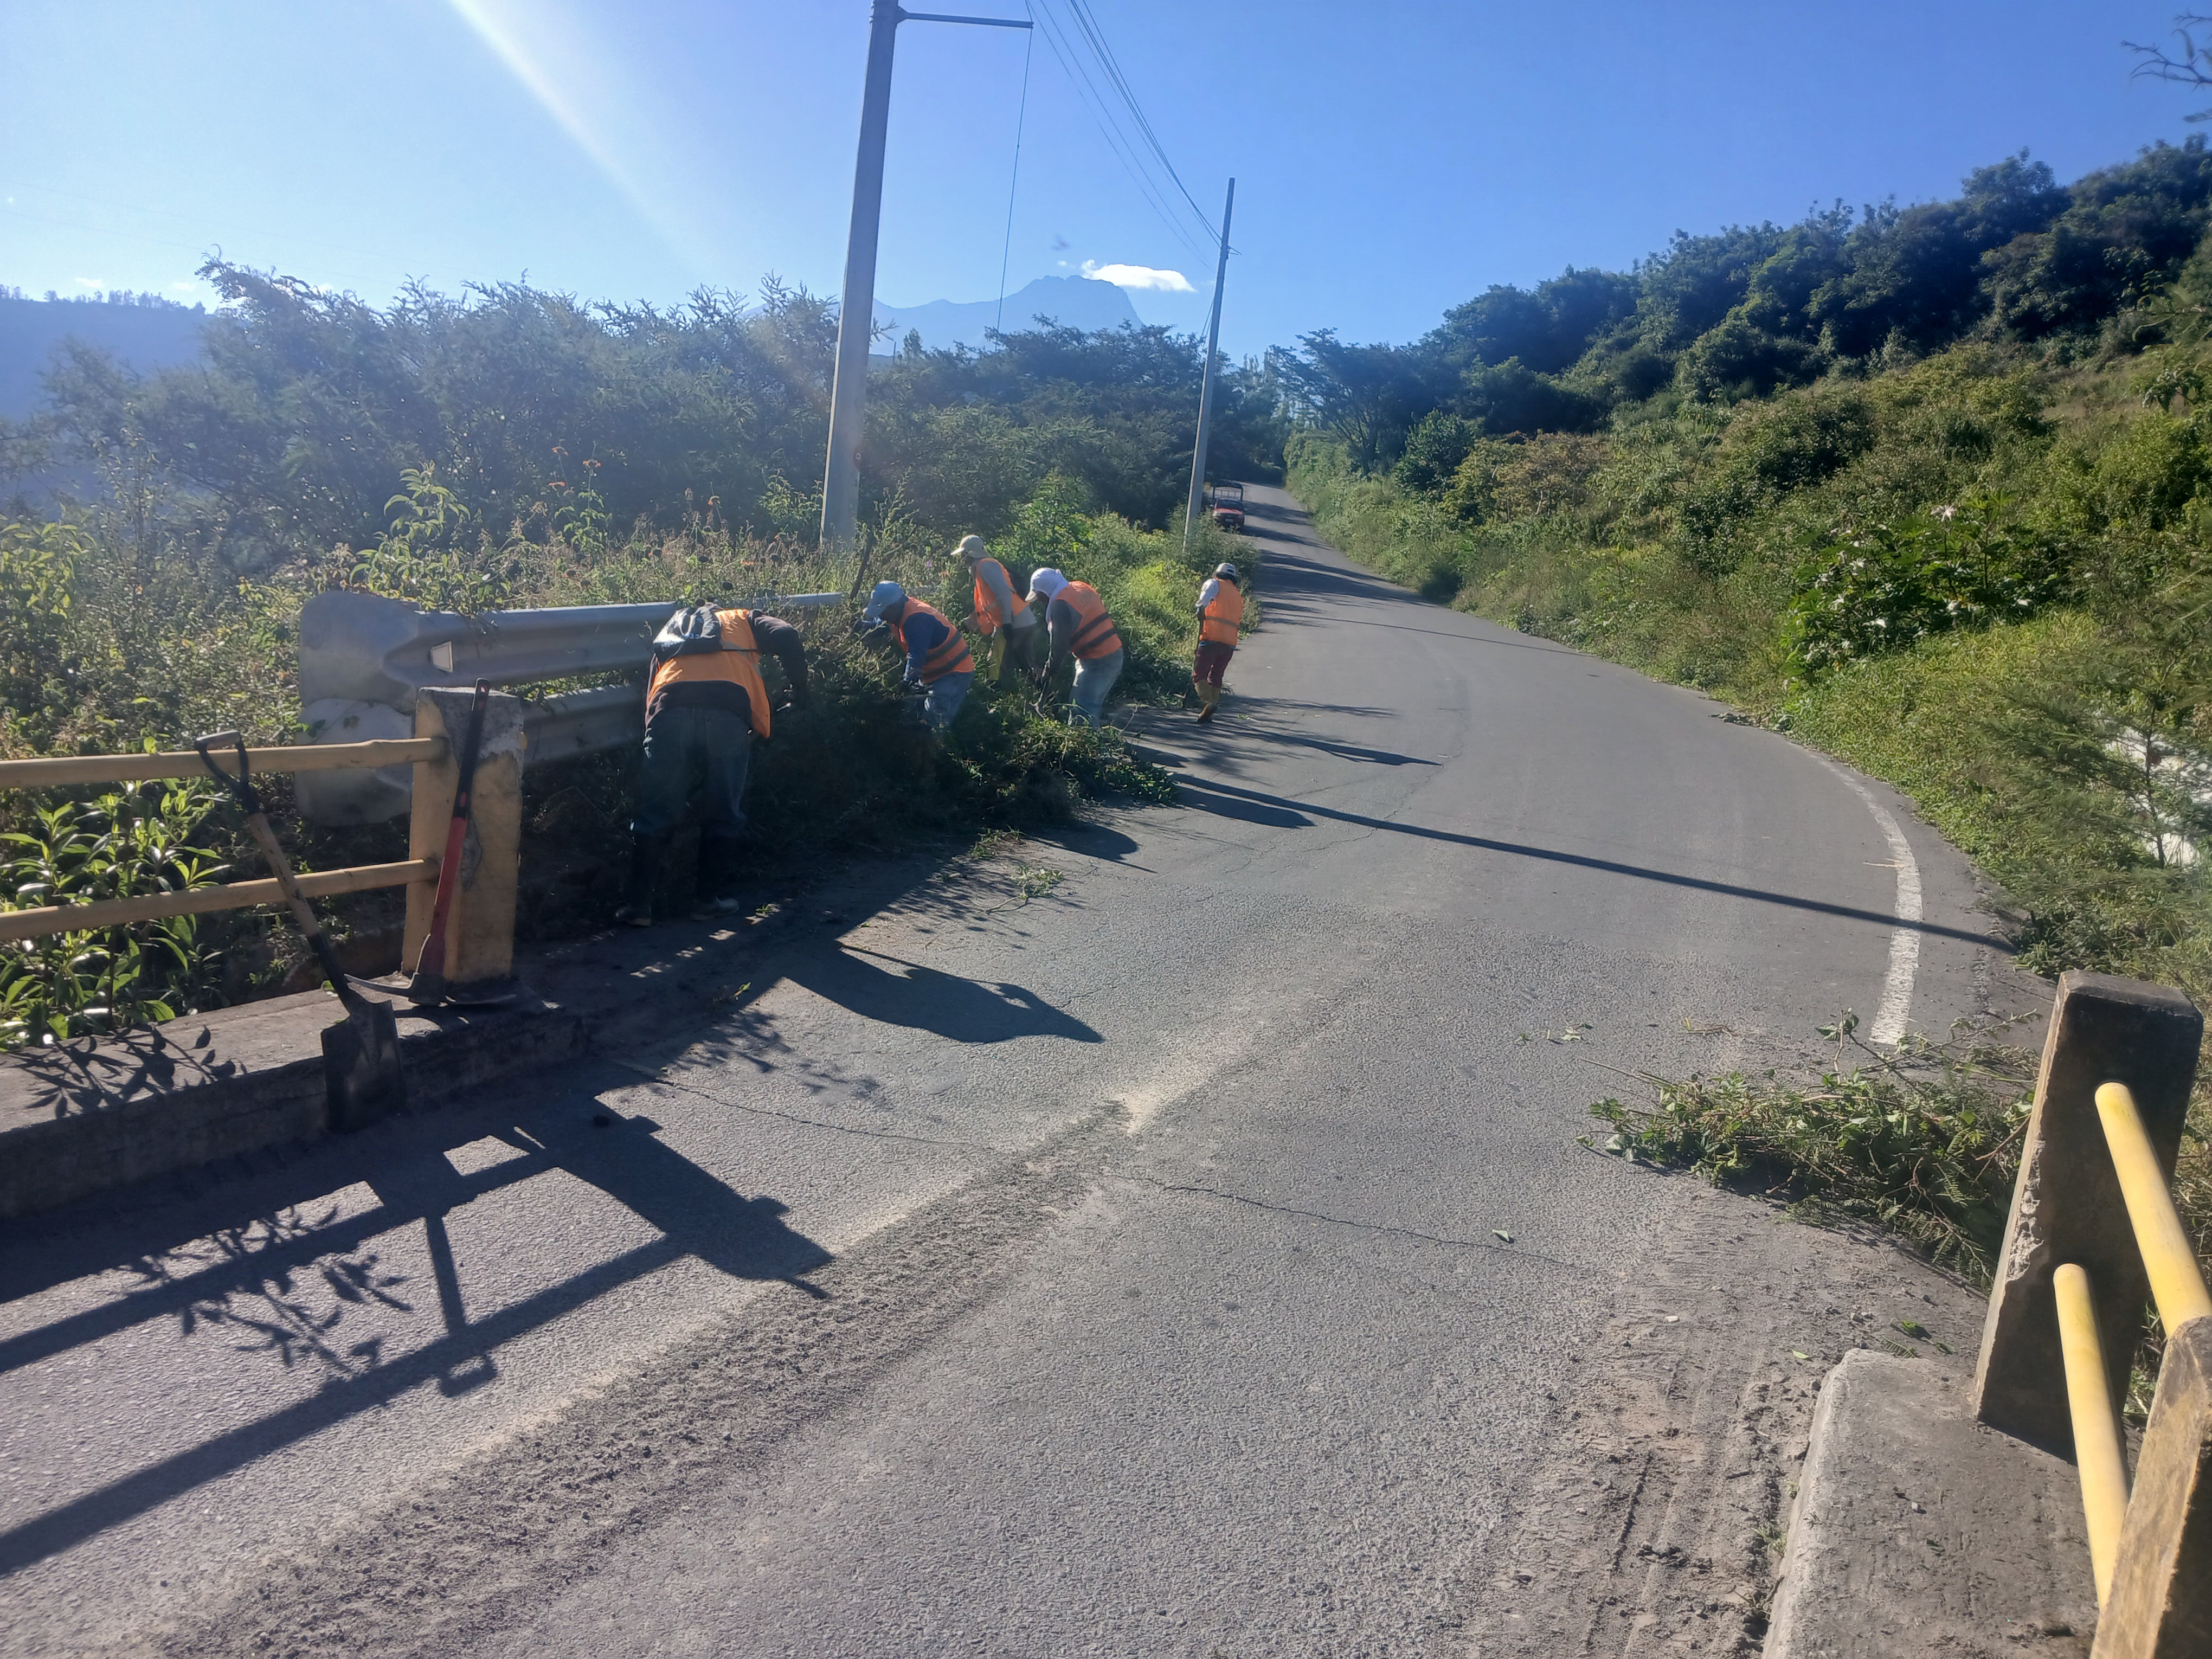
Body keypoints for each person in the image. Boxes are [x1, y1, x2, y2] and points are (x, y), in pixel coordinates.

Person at [621, 602, 808, 927]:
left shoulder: (674, 628)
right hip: (726, 714)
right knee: (723, 810)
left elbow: (652, 691)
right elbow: (787, 634)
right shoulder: (743, 618)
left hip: (669, 710)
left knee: (656, 812)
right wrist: (800, 690)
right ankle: (706, 902)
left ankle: (638, 907)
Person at [859, 580, 976, 735]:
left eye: (882, 611)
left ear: (893, 606)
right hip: (931, 674)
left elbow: (916, 658)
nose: (880, 615)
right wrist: (858, 626)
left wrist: (906, 684)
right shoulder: (896, 613)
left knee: (934, 720)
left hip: (953, 673)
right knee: (910, 716)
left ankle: (936, 747)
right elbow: (879, 626)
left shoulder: (917, 620)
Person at [1027, 567, 1123, 727]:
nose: (1040, 600)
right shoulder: (1079, 586)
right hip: (1113, 654)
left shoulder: (1060, 605)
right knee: (1089, 707)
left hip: (1097, 660)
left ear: (1046, 590)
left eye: (1040, 595)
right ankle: (1091, 742)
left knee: (1082, 711)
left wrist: (1050, 670)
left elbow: (1059, 645)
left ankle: (1084, 743)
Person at [959, 534, 1042, 684]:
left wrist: (1007, 623)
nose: (961, 559)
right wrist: (970, 623)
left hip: (1013, 622)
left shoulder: (985, 567)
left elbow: (1003, 593)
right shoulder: (984, 567)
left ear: (970, 554)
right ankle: (1045, 693)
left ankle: (992, 695)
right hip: (1024, 621)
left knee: (994, 666)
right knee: (1027, 666)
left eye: (963, 555)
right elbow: (989, 605)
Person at [1192, 561, 1245, 723]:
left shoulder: (1214, 584)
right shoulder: (1238, 596)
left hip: (1212, 637)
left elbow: (1202, 603)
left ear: (1217, 574)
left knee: (1199, 675)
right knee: (1216, 677)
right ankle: (1210, 712)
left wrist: (1199, 610)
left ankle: (1208, 703)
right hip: (1230, 642)